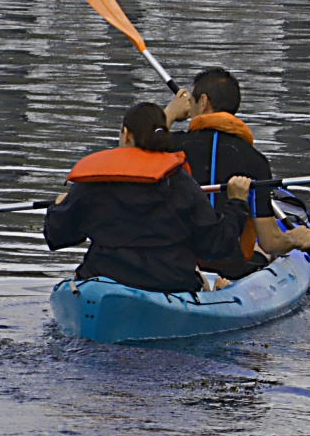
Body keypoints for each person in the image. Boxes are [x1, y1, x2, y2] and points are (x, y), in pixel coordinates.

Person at [44, 101, 254, 294]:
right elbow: (217, 245)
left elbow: (58, 236)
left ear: (126, 134)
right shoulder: (181, 182)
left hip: (105, 279)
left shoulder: (94, 181)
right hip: (170, 283)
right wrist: (236, 202)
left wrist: (59, 208)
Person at [164, 67, 310, 280]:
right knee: (262, 253)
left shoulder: (171, 146)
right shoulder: (255, 160)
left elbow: (134, 148)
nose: (189, 112)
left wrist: (169, 113)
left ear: (204, 102)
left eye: (192, 103)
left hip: (175, 261)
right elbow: (270, 242)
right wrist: (294, 238)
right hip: (231, 268)